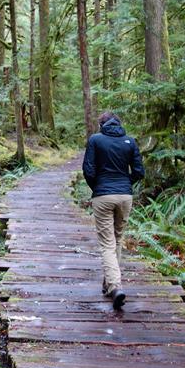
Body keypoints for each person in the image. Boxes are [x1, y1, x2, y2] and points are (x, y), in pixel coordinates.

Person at [82, 112, 145, 310]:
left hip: (103, 195)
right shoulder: (130, 141)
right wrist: (126, 184)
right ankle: (109, 284)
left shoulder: (95, 140)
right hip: (125, 197)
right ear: (119, 123)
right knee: (117, 240)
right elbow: (139, 172)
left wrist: (98, 187)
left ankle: (115, 286)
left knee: (107, 244)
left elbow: (88, 170)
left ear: (101, 124)